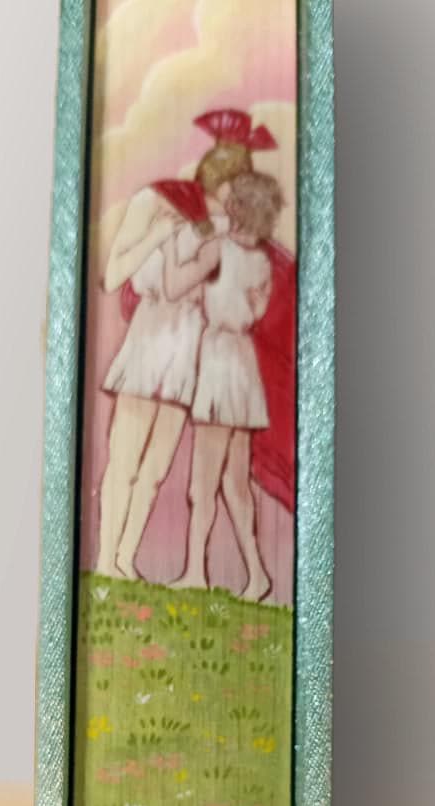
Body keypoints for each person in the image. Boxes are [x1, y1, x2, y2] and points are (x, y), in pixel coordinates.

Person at [95, 111, 278, 581]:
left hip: (188, 352)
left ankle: (125, 559)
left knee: (156, 469)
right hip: (150, 341)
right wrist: (171, 241)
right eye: (228, 198)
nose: (230, 210)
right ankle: (105, 559)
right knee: (124, 459)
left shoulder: (220, 231)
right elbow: (123, 278)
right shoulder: (160, 205)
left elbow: (233, 287)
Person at [162, 171, 284, 602]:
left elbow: (174, 286)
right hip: (243, 365)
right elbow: (255, 311)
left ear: (239, 208)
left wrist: (178, 245)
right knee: (236, 483)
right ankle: (257, 575)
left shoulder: (218, 249)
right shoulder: (263, 262)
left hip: (218, 361)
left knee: (203, 482)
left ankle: (196, 571)